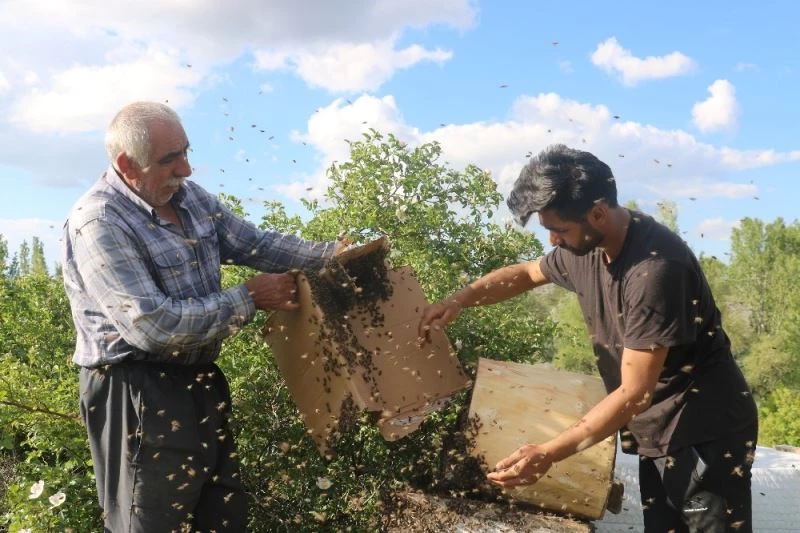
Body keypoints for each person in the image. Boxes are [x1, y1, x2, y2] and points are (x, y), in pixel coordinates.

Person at [419, 144, 758, 532]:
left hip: (707, 430)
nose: (552, 241)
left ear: (597, 213)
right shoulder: (585, 249)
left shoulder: (654, 271)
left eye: (558, 230)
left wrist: (548, 452)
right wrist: (458, 300)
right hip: (659, 430)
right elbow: (526, 274)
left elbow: (634, 392)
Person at [62, 101, 344, 532]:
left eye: (186, 152)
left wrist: (335, 257)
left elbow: (257, 245)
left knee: (221, 516)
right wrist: (249, 298)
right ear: (126, 164)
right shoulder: (99, 221)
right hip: (135, 389)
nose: (187, 170)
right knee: (152, 522)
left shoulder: (190, 198)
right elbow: (151, 327)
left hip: (198, 382)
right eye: (170, 160)